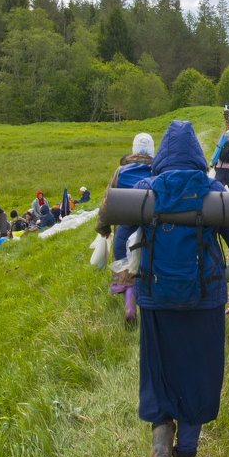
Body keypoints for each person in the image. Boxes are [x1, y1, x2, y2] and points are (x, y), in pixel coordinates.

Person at [111, 120, 229, 457]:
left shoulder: (145, 191)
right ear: (195, 154)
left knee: (159, 369)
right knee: (197, 377)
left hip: (154, 300)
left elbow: (119, 248)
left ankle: (161, 438)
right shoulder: (212, 191)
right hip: (204, 301)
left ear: (161, 155)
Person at [97, 131, 156, 323]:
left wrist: (103, 228)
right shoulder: (157, 171)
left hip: (125, 230)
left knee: (126, 269)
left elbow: (107, 202)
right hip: (150, 230)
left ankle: (129, 306)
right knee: (149, 268)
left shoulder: (120, 172)